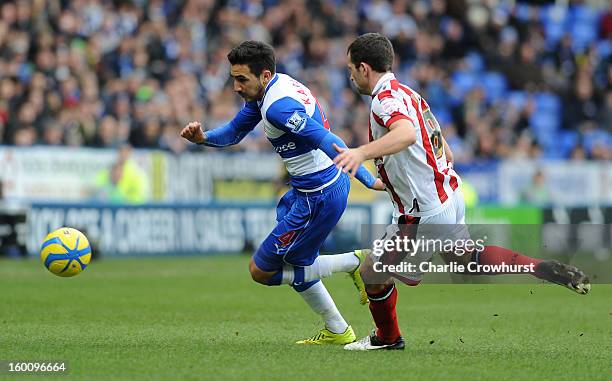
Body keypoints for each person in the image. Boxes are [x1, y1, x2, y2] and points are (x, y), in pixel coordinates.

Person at [330, 33, 591, 351]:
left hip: (422, 212)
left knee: (373, 272)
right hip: (448, 194)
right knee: (468, 259)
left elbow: (407, 134)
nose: (350, 76)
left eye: (351, 69)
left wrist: (361, 153)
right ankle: (539, 267)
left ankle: (387, 338)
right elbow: (444, 152)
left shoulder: (385, 101)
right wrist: (399, 178)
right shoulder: (411, 95)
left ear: (364, 68)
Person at [180, 40, 384, 345]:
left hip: (320, 195)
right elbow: (235, 130)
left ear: (263, 75)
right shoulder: (273, 88)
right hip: (309, 190)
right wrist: (203, 138)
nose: (235, 87)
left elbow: (324, 138)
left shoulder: (278, 107)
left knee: (261, 271)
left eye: (241, 79)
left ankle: (355, 263)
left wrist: (369, 180)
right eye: (233, 78)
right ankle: (338, 330)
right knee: (297, 261)